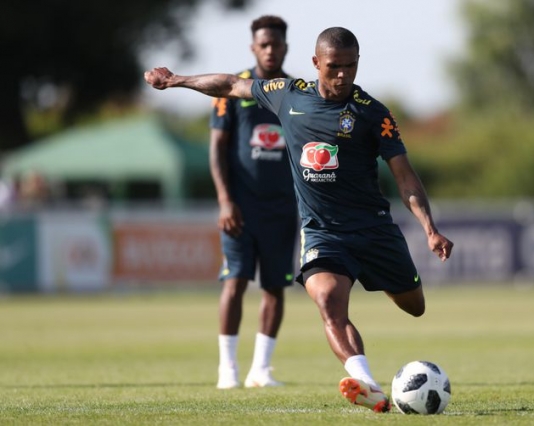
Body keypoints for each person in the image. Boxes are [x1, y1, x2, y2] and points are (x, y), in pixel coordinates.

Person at [145, 26, 453, 413]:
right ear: (315, 63)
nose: (342, 75)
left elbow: (404, 175)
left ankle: (384, 294)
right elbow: (228, 84)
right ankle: (366, 381)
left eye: (350, 66)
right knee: (327, 299)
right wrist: (176, 80)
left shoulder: (374, 114)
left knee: (414, 305)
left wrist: (429, 228)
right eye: (333, 67)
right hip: (322, 232)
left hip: (373, 230)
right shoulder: (287, 94)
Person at [208, 16, 298, 389]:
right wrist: (226, 201)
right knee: (236, 281)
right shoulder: (232, 89)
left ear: (285, 47)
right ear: (253, 48)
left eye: (276, 44)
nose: (270, 50)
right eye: (264, 44)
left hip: (283, 209)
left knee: (275, 287)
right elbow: (217, 148)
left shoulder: (296, 91)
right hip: (241, 208)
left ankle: (260, 369)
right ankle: (226, 368)